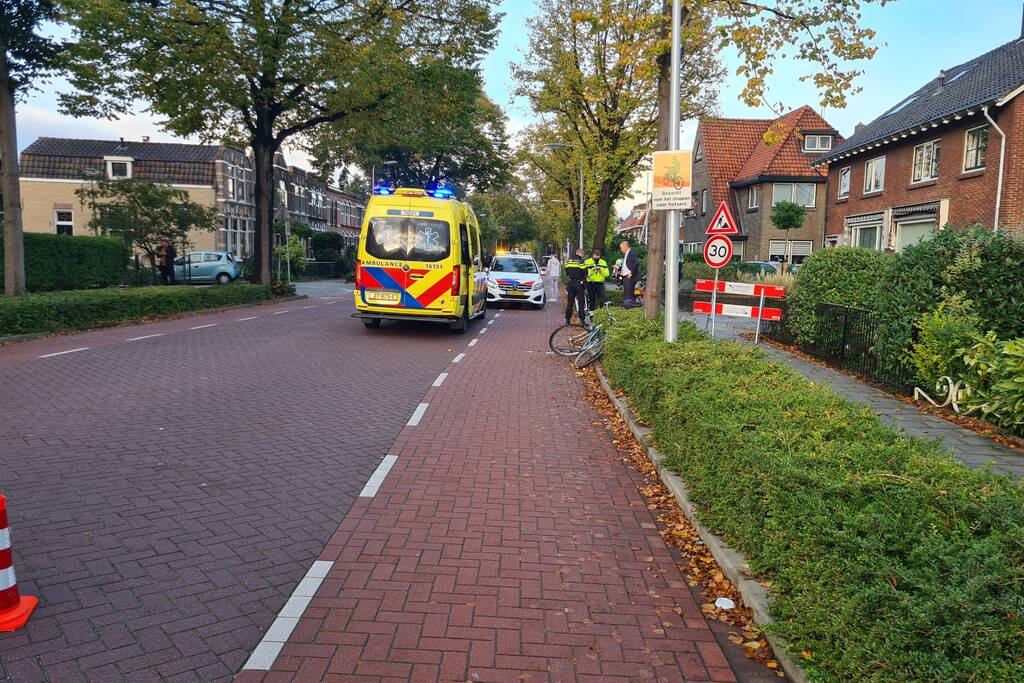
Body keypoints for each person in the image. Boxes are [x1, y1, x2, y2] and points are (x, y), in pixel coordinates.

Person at [563, 247, 588, 326]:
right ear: (581, 253)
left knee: (570, 303)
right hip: (579, 284)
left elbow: (567, 272)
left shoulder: (569, 260)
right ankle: (582, 321)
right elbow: (586, 273)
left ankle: (567, 320)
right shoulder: (581, 261)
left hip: (571, 283)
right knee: (581, 303)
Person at [619, 240, 640, 308]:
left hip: (629, 277)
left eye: (621, 248)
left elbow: (636, 262)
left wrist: (631, 273)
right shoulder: (627, 254)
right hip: (625, 277)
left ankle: (630, 307)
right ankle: (628, 307)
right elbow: (627, 265)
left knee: (629, 295)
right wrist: (620, 270)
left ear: (625, 246)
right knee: (627, 294)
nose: (621, 249)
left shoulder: (631, 253)